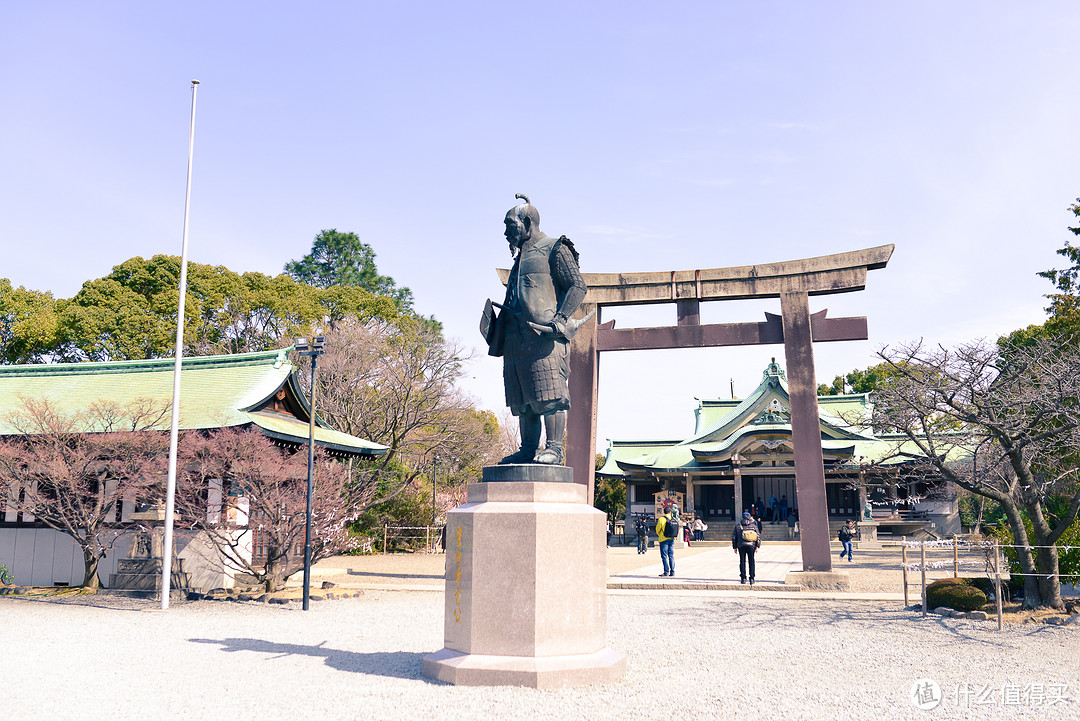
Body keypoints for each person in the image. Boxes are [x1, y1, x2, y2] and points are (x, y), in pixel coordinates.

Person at [484, 194, 588, 465]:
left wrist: (561, 318)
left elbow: (577, 286)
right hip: (516, 339)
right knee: (524, 400)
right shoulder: (520, 258)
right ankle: (528, 448)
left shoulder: (554, 247)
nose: (506, 231)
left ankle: (554, 448)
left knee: (549, 395)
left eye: (510, 224)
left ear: (527, 222)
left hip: (544, 338)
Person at [732, 511, 761, 585]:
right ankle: (752, 578)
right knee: (751, 561)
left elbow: (734, 537)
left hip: (741, 546)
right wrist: (757, 546)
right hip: (751, 546)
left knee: (742, 561)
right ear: (749, 517)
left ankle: (743, 578)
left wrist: (734, 547)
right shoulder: (754, 526)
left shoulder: (738, 526)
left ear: (742, 517)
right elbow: (758, 536)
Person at [656, 506, 678, 577]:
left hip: (663, 539)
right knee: (671, 555)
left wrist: (660, 534)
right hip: (672, 538)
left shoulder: (661, 519)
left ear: (664, 512)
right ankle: (672, 571)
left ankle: (666, 572)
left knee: (664, 556)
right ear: (670, 512)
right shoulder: (674, 519)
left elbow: (657, 529)